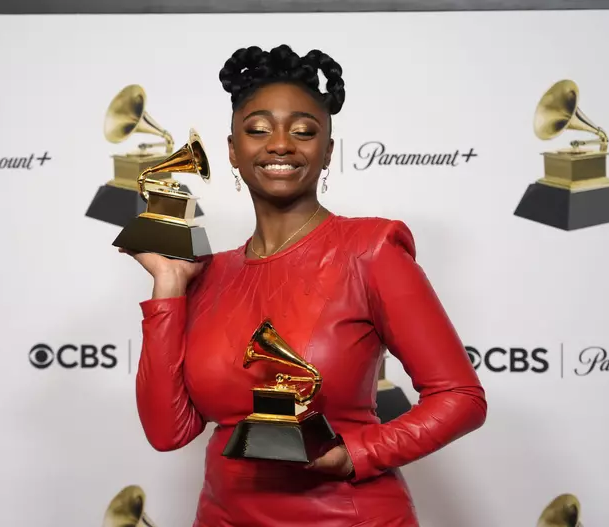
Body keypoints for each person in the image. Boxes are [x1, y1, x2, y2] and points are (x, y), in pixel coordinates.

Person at [123, 44, 487, 527]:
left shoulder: (370, 250)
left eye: (303, 131)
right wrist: (168, 284)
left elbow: (460, 396)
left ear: (327, 150)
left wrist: (355, 453)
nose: (280, 144)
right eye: (257, 130)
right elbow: (168, 431)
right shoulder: (207, 274)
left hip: (346, 516)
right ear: (233, 151)